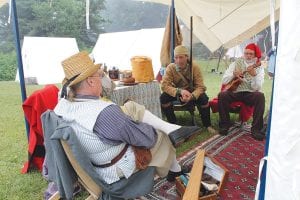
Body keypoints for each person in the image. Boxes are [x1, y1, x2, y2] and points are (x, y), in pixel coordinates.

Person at [54, 51, 200, 185]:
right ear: (91, 82)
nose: (101, 79)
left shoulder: (62, 105)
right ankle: (174, 168)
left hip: (96, 155)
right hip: (114, 168)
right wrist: (146, 127)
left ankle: (173, 129)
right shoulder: (104, 112)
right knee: (160, 134)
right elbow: (146, 139)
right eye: (99, 76)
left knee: (130, 107)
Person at [160, 45, 217, 134]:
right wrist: (180, 91)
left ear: (187, 57)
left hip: (192, 92)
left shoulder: (194, 67)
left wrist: (192, 96)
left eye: (181, 57)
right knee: (163, 98)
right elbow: (164, 85)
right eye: (176, 57)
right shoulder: (171, 68)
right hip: (178, 92)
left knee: (204, 98)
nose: (178, 60)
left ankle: (207, 125)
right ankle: (173, 124)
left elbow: (200, 86)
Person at [218, 43, 265, 140]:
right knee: (222, 95)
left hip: (250, 93)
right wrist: (233, 75)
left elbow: (257, 87)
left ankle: (256, 129)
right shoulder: (236, 63)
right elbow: (224, 80)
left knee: (260, 96)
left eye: (251, 54)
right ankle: (224, 125)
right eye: (246, 53)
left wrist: (254, 76)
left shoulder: (259, 67)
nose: (248, 56)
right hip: (236, 92)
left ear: (255, 55)